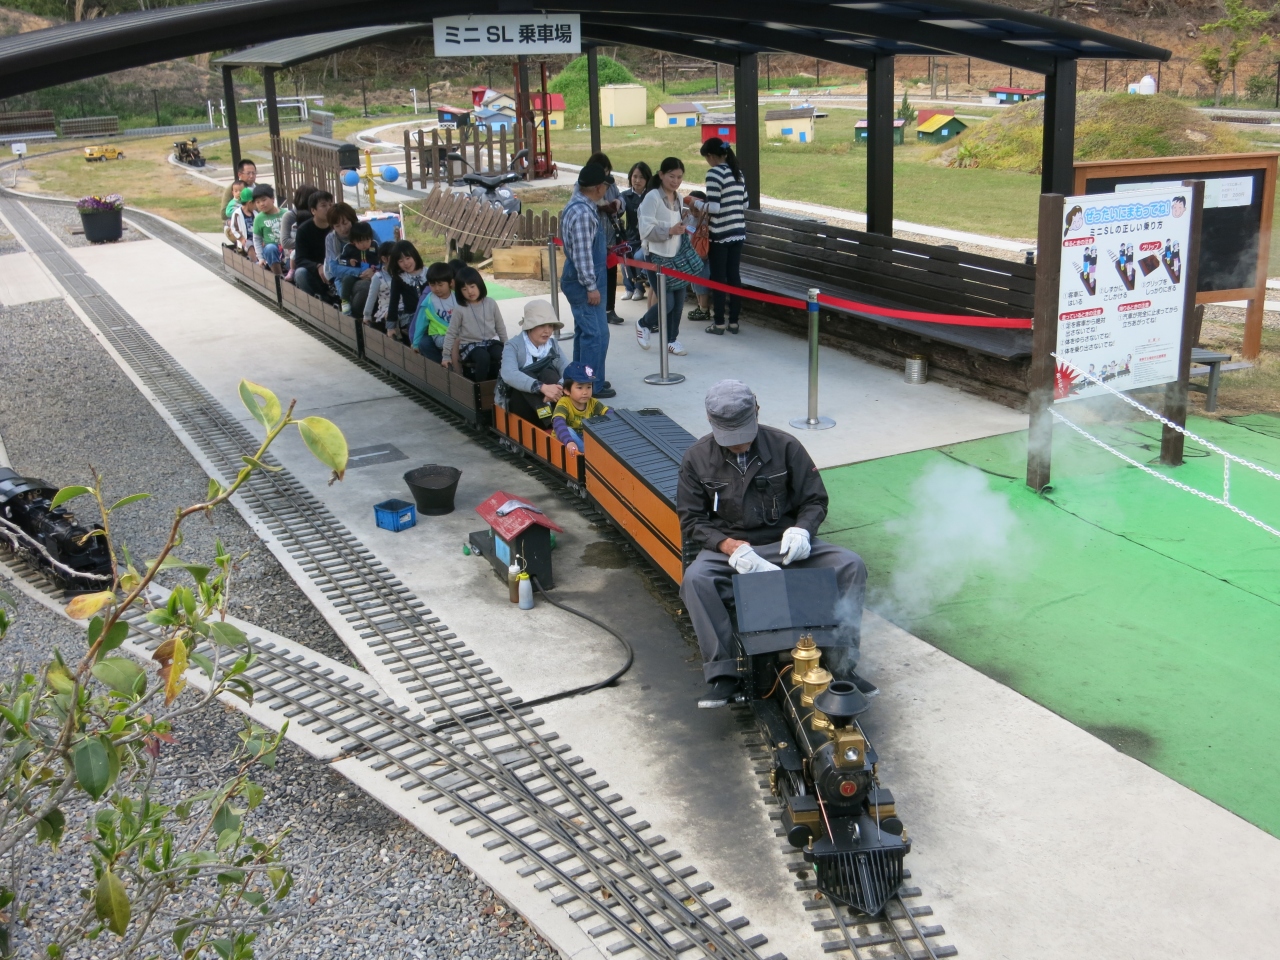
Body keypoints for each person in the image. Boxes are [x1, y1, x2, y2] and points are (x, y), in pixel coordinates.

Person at [676, 380, 871, 709]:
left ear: (757, 411)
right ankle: (724, 673)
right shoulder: (696, 458)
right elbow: (692, 519)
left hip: (785, 545)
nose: (739, 444)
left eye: (743, 434)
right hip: (734, 551)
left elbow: (814, 500)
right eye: (729, 437)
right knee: (696, 581)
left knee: (851, 565)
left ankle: (843, 662)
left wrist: (802, 531)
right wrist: (728, 546)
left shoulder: (786, 446)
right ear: (710, 421)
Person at [559, 162, 616, 398]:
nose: (606, 190)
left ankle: (583, 381)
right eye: (605, 186)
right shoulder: (583, 214)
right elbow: (583, 256)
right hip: (584, 282)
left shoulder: (579, 204)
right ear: (598, 188)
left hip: (582, 278)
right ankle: (591, 387)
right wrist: (591, 287)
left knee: (585, 333)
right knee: (596, 335)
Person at [636, 157, 701, 357]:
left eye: (679, 177)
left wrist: (681, 226)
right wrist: (670, 230)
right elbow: (645, 230)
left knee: (679, 302)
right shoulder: (652, 197)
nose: (675, 181)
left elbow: (677, 223)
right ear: (661, 175)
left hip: (676, 256)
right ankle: (643, 324)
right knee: (667, 302)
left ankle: (671, 340)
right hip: (656, 256)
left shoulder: (679, 198)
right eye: (671, 176)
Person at [696, 137, 749, 334]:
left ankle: (718, 323)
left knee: (718, 278)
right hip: (738, 232)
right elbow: (745, 204)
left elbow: (714, 208)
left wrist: (696, 203)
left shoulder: (714, 173)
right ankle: (733, 322)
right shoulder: (738, 172)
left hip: (719, 234)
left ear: (711, 156)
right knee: (734, 276)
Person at [498, 299, 567, 426]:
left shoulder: (552, 345)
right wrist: (542, 388)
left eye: (550, 326)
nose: (547, 331)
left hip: (550, 400)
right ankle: (550, 423)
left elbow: (566, 368)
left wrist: (557, 388)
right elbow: (508, 373)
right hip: (522, 404)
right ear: (529, 326)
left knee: (549, 374)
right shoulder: (513, 346)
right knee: (527, 374)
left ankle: (559, 419)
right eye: (542, 325)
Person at [442, 266, 508, 381]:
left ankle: (501, 383)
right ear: (459, 291)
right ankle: (480, 386)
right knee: (483, 357)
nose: (470, 291)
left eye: (472, 286)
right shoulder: (460, 309)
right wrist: (446, 355)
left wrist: (507, 345)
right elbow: (451, 333)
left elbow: (500, 327)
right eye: (464, 289)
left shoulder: (490, 303)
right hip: (470, 345)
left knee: (503, 354)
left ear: (479, 285)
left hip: (489, 342)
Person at [553, 361, 609, 455]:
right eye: (580, 388)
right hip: (566, 440)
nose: (585, 392)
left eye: (588, 387)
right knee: (568, 430)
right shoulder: (564, 403)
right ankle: (589, 454)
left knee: (604, 422)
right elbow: (558, 422)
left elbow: (609, 412)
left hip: (584, 438)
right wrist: (569, 441)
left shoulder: (592, 402)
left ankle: (591, 452)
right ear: (566, 390)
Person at [410, 260, 457, 362]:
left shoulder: (457, 297)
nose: (437, 289)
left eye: (440, 285)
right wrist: (416, 343)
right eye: (432, 285)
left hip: (457, 334)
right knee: (454, 343)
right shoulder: (428, 302)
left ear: (450, 283)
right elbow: (420, 323)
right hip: (439, 336)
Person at [619, 161, 651, 302]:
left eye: (641, 177)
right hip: (630, 237)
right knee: (625, 259)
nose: (637, 180)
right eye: (634, 176)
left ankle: (639, 288)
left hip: (647, 239)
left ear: (647, 180)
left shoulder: (650, 196)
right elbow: (618, 212)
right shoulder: (625, 196)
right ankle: (629, 288)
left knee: (638, 257)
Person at [292, 191, 333, 298]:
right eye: (323, 205)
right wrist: (317, 266)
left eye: (330, 205)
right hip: (315, 271)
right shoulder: (304, 230)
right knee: (300, 273)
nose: (328, 208)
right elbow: (300, 259)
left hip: (335, 267)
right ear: (313, 210)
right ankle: (319, 299)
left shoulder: (337, 226)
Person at [385, 240, 428, 342]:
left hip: (430, 313)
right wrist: (390, 327)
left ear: (414, 256)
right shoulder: (399, 278)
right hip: (412, 316)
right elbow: (394, 302)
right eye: (401, 261)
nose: (406, 263)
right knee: (420, 334)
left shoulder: (427, 273)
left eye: (408, 258)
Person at [337, 222, 378, 317]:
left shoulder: (374, 246)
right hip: (355, 274)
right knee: (346, 279)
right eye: (360, 242)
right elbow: (340, 261)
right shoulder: (348, 248)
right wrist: (349, 262)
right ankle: (345, 301)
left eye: (367, 240)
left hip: (371, 273)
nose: (364, 245)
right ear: (353, 241)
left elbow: (380, 260)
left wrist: (375, 269)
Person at [249, 184, 285, 274]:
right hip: (271, 250)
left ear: (272, 199)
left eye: (264, 200)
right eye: (257, 202)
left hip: (287, 247)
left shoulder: (286, 213)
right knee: (270, 248)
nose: (261, 204)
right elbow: (257, 240)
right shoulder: (258, 218)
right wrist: (260, 258)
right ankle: (278, 276)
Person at [362, 241, 397, 331]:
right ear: (384, 259)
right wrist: (367, 315)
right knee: (391, 314)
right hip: (387, 308)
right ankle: (393, 333)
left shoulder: (402, 273)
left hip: (403, 305)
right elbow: (371, 297)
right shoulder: (378, 277)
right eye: (395, 257)